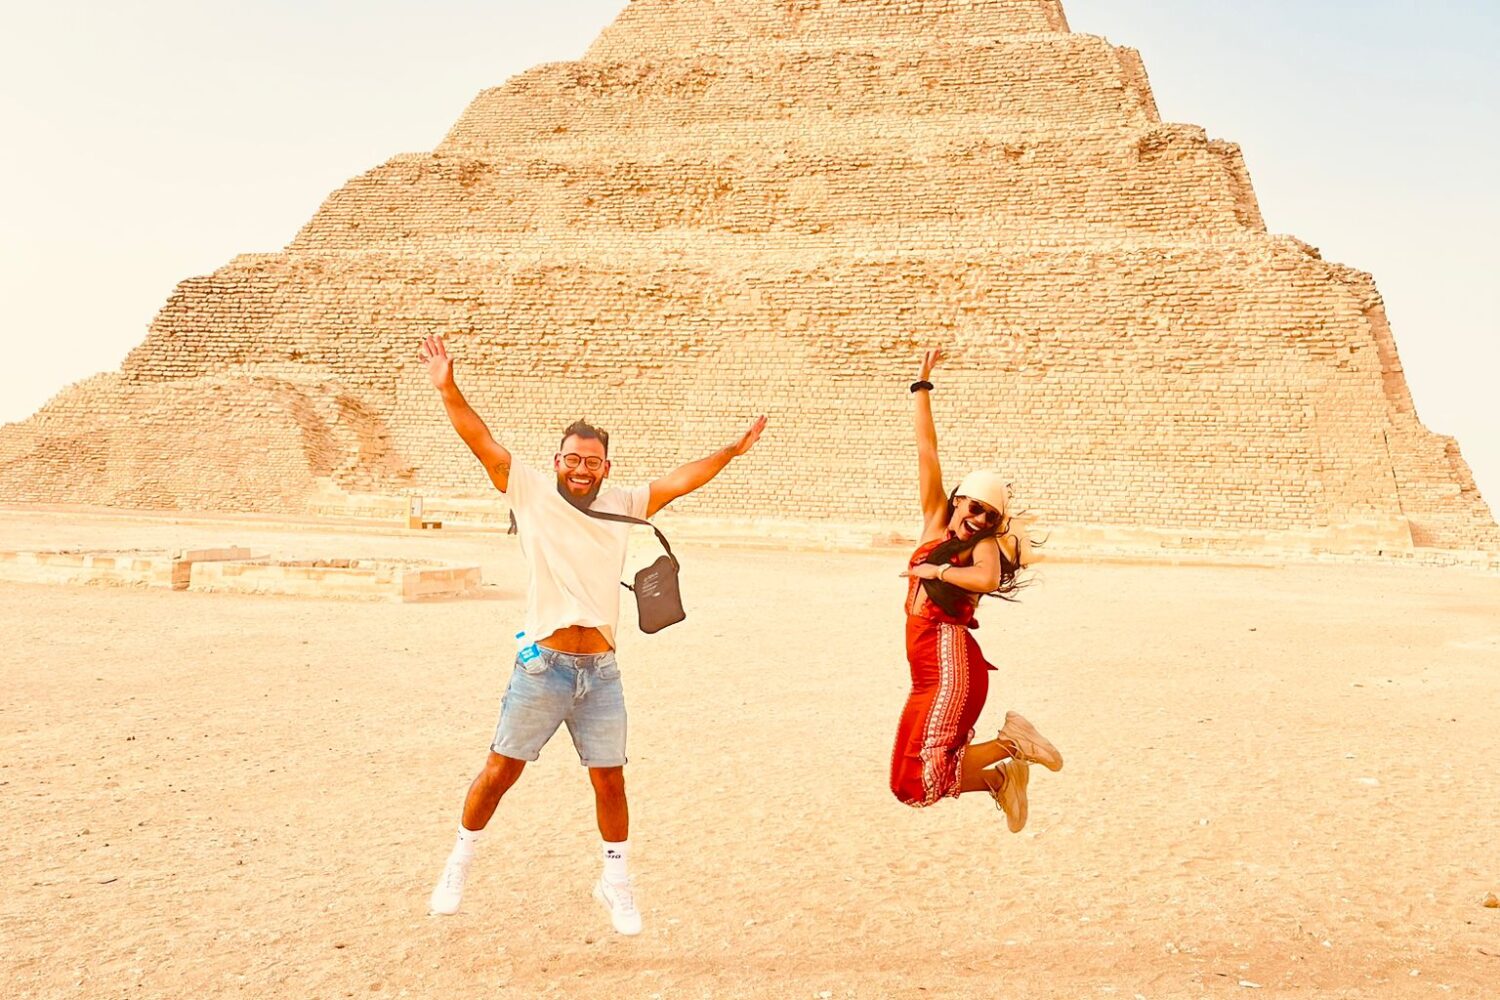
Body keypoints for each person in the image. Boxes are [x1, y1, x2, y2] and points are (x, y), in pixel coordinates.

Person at [417, 334, 767, 935]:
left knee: (610, 778)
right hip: (543, 666)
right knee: (501, 771)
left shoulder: (624, 502)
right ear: (556, 461)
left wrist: (731, 451)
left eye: (592, 461)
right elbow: (481, 441)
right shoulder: (527, 491)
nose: (581, 469)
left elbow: (682, 480)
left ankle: (617, 882)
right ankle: (458, 861)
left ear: (606, 466)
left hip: (601, 671)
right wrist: (448, 387)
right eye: (572, 459)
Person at [891, 348, 1062, 831]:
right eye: (975, 506)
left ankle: (1014, 743)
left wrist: (937, 574)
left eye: (990, 514)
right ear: (959, 498)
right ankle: (1000, 779)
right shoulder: (934, 523)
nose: (980, 518)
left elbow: (985, 579)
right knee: (908, 783)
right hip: (924, 669)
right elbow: (928, 451)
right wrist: (921, 387)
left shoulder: (981, 548)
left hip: (951, 661)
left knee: (928, 768)